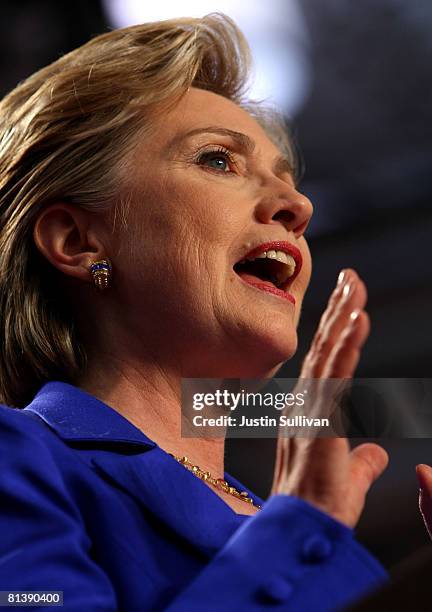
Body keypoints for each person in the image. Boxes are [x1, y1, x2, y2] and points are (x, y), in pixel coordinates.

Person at [0, 12, 425, 611]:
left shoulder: (335, 546)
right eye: (218, 160)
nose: (297, 205)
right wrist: (298, 527)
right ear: (78, 241)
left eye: (288, 179)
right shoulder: (18, 457)